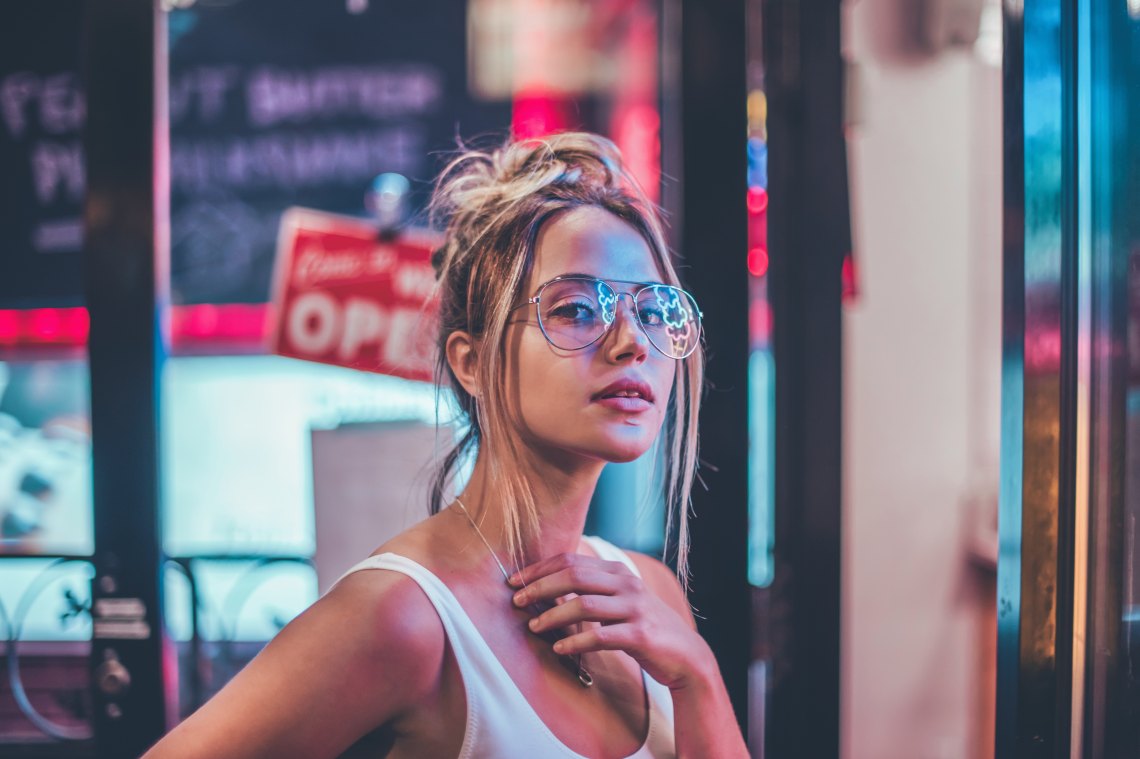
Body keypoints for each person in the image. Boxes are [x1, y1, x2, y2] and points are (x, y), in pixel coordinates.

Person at [143, 132, 749, 758]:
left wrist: (695, 675)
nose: (632, 343)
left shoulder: (647, 592)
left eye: (654, 311)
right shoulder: (404, 616)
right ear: (470, 360)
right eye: (575, 309)